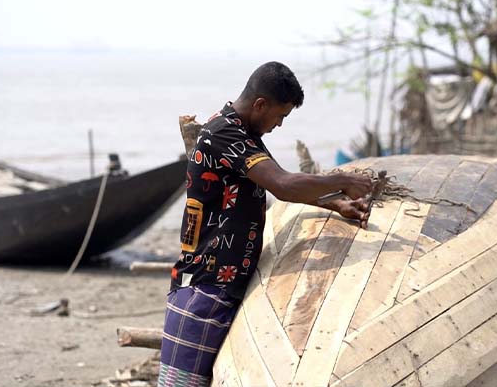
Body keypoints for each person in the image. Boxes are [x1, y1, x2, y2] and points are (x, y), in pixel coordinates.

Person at [158, 61, 372, 387]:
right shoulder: (223, 133)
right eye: (280, 116)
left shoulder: (244, 134)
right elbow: (283, 183)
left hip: (222, 285)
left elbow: (278, 185)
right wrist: (342, 180)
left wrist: (333, 202)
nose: (279, 125)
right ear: (260, 105)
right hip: (203, 290)